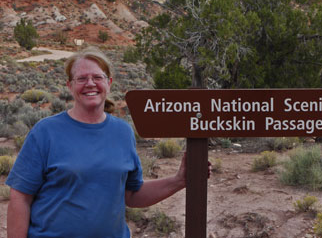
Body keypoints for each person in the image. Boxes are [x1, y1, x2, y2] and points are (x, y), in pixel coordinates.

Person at [6, 47, 191, 238]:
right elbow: (20, 197)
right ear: (69, 85)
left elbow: (131, 195)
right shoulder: (45, 132)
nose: (90, 83)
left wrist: (179, 180)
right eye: (81, 78)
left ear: (109, 83)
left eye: (97, 77)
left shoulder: (123, 132)